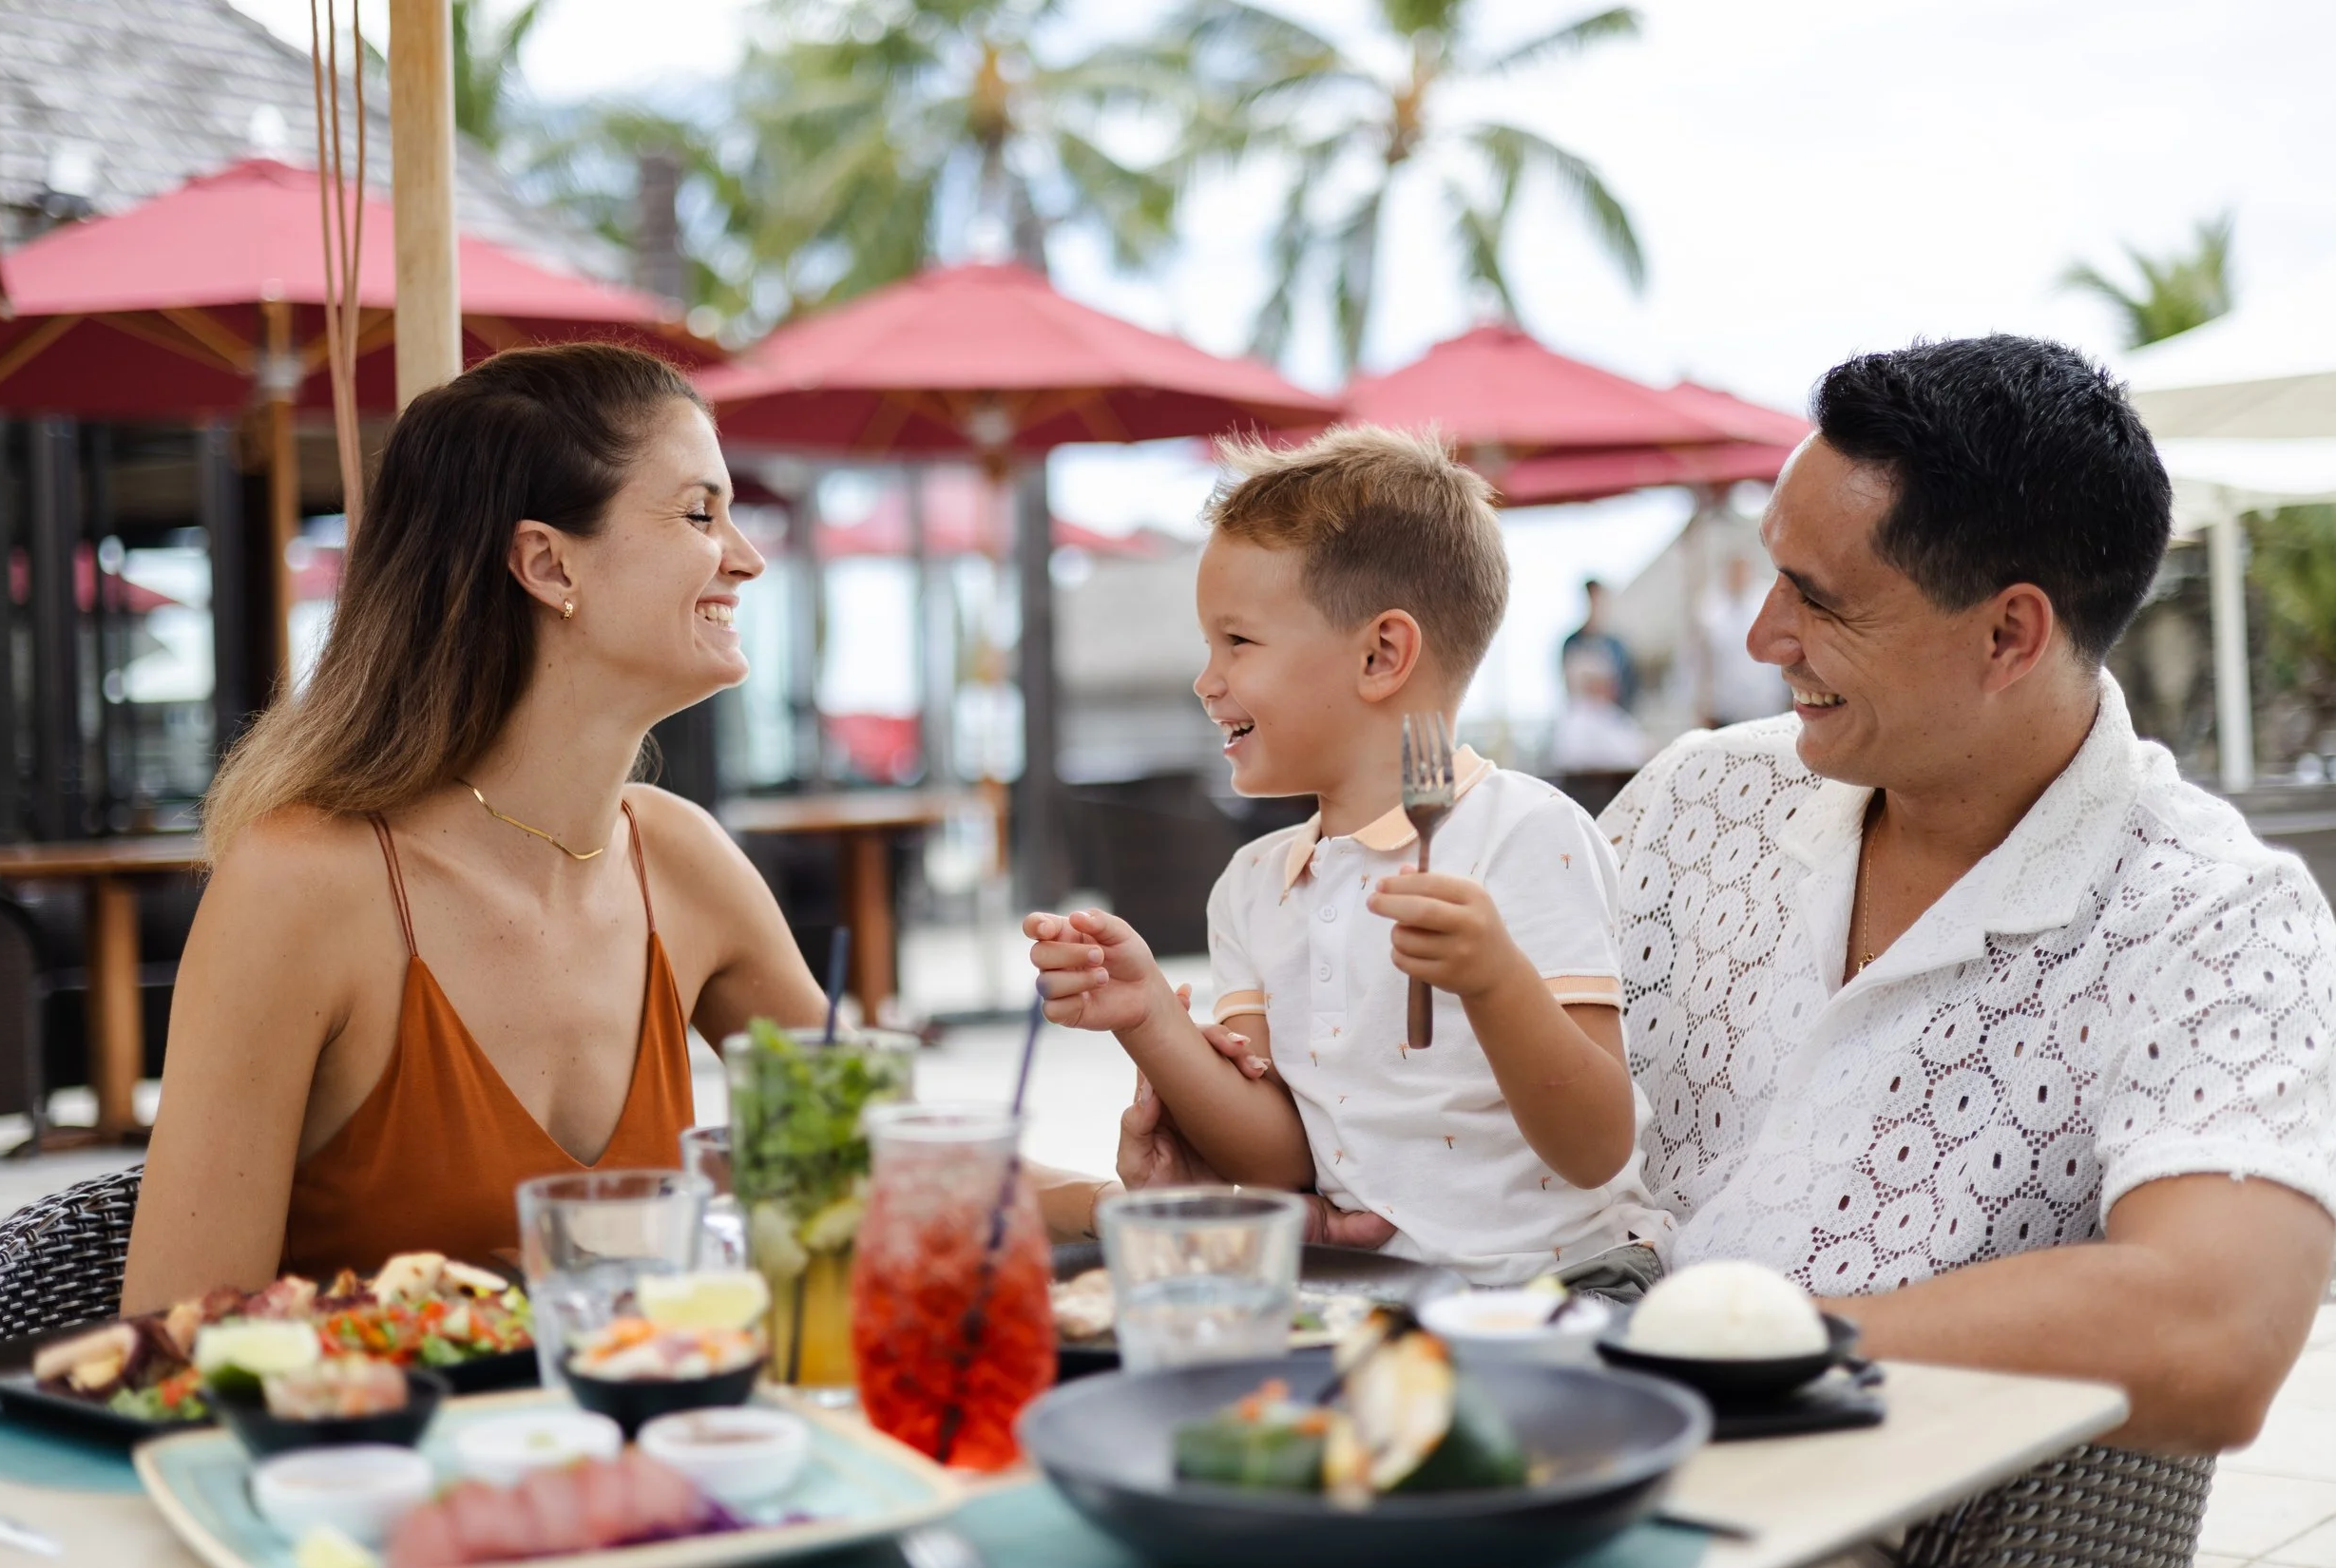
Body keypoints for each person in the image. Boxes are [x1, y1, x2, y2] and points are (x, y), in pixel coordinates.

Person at [119, 344, 1117, 1310]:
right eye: (699, 513)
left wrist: (1115, 1205)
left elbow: (878, 1155)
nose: (748, 556)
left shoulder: (680, 861)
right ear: (548, 563)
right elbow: (174, 1323)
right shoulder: (303, 885)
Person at [1601, 335, 2335, 1456]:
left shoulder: (2217, 918)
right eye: (1770, 572)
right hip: (1568, 1415)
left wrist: (1740, 1348)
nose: (1763, 637)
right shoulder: (1702, 796)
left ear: (2007, 635)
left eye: (1818, 599)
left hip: (1865, 1497)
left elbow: (2217, 1334)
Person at [1026, 426, 1671, 1286]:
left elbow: (1596, 1146)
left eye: (1237, 642)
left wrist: (1492, 979)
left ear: (1380, 655)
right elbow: (1277, 1160)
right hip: (1365, 1293)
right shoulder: (1254, 887)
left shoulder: (1526, 833)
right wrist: (1150, 1017)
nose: (1204, 679)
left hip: (1566, 1284)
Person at [1694, 550, 1790, 727]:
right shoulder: (1710, 610)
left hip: (1766, 704)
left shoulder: (1768, 599)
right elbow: (1702, 663)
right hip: (1726, 708)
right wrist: (1704, 705)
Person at [1552, 646, 1654, 774]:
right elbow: (1575, 758)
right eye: (1606, 681)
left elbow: (1642, 747)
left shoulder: (1612, 713)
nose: (1614, 687)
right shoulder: (1576, 719)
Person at [1561, 577, 1637, 713]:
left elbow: (1624, 688)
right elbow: (1570, 687)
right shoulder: (1572, 643)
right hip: (1581, 715)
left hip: (1611, 715)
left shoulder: (1616, 647)